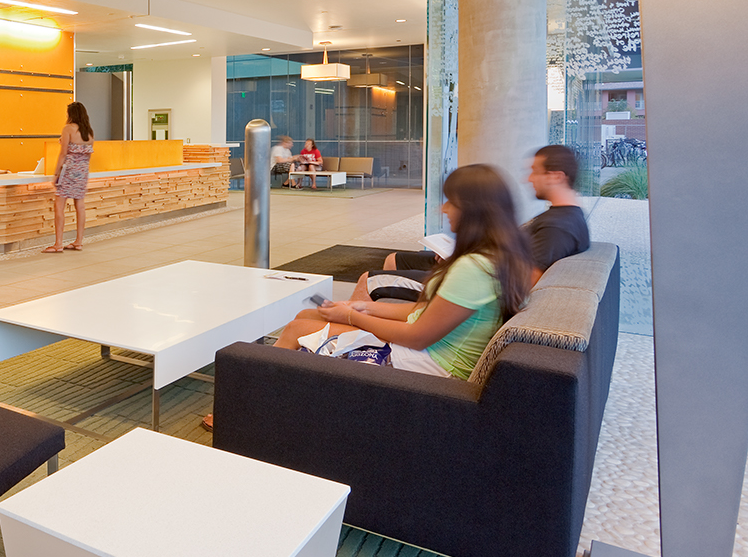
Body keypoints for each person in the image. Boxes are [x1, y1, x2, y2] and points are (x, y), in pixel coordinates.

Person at [203, 164, 532, 431]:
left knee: (294, 330)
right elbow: (421, 315)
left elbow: (418, 336)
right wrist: (364, 306)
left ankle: (244, 415)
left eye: (451, 202)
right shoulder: (495, 257)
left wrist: (353, 317)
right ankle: (282, 400)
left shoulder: (473, 268)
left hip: (423, 365)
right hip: (430, 356)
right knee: (306, 320)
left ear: (474, 210)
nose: (444, 208)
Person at [352, 144, 590, 302]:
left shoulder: (558, 227)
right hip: (479, 267)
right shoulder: (560, 217)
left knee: (368, 279)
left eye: (535, 172)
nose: (528, 179)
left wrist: (466, 262)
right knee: (394, 259)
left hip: (478, 282)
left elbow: (524, 280)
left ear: (557, 176)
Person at [45, 101, 94, 253]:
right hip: (83, 171)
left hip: (68, 170)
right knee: (80, 204)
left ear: (71, 114)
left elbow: (63, 153)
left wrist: (56, 173)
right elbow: (88, 155)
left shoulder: (68, 129)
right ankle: (79, 241)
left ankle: (58, 243)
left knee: (59, 204)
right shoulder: (89, 132)